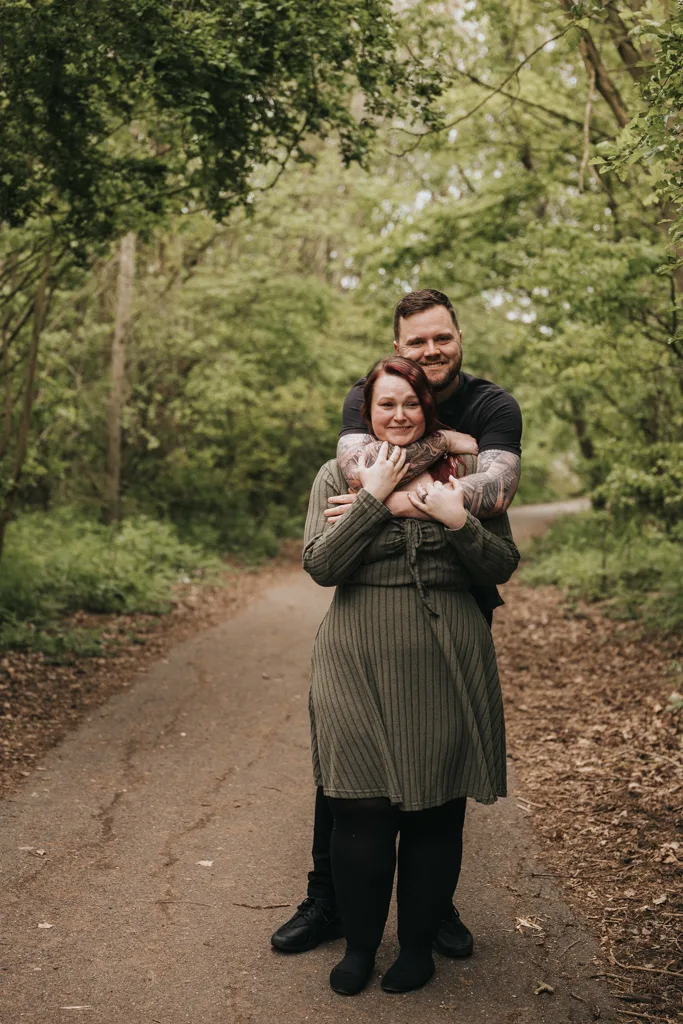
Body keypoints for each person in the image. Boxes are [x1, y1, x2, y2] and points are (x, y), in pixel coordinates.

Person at [271, 289, 522, 959]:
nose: (428, 352)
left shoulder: (492, 406)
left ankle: (428, 915)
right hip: (362, 637)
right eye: (415, 342)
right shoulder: (364, 411)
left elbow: (499, 493)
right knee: (352, 787)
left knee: (437, 777)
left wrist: (444, 509)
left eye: (440, 338)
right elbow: (327, 549)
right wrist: (380, 500)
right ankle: (328, 902)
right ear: (396, 346)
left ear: (456, 338)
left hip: (453, 619)